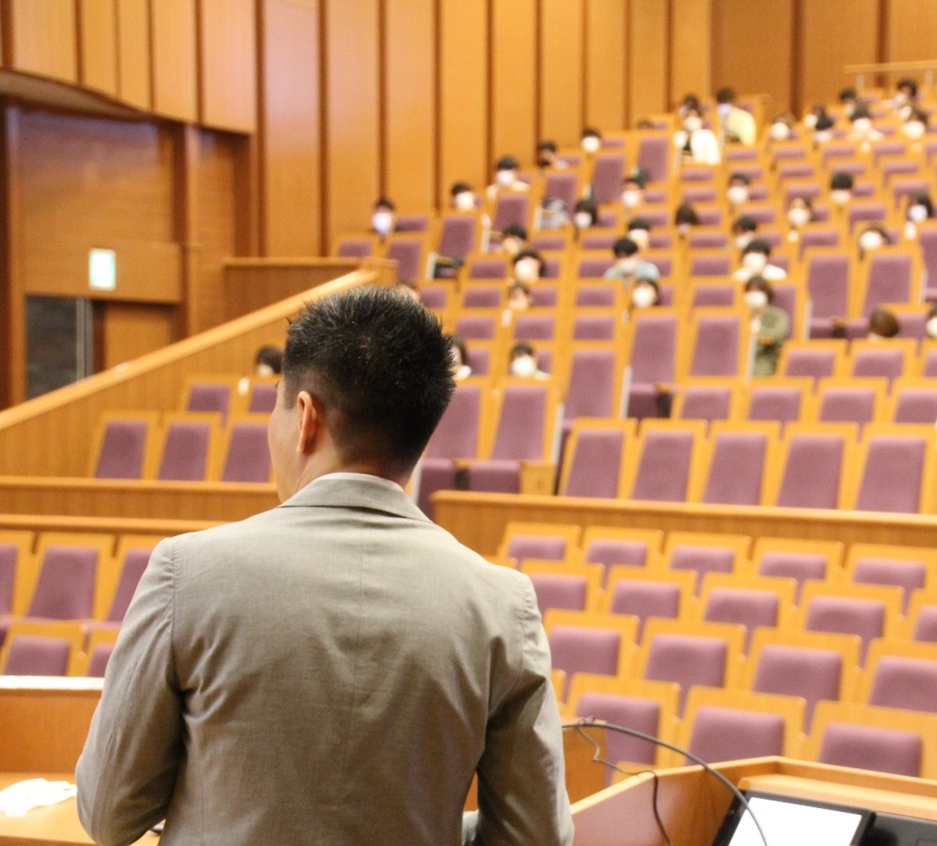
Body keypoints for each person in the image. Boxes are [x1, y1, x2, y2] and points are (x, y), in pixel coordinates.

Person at [76, 288, 572, 846]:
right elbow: (536, 836)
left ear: (305, 417)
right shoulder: (502, 603)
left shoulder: (186, 574)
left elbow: (109, 813)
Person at [745, 277, 790, 377]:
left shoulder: (778, 316)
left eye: (758, 291)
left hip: (764, 359)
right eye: (750, 291)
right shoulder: (738, 317)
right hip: (739, 359)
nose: (754, 294)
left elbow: (776, 336)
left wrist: (755, 330)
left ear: (766, 293)